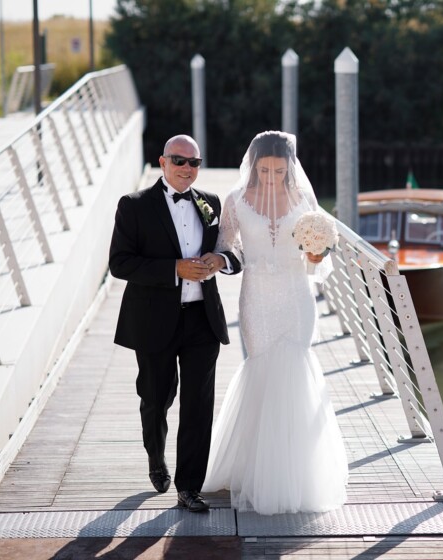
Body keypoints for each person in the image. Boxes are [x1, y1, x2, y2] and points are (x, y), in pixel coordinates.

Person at [202, 131, 348, 514]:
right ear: (254, 165)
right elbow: (225, 245)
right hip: (257, 298)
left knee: (296, 371)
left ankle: (296, 475)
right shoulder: (236, 201)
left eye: (278, 170)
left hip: (297, 296)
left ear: (289, 168)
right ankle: (253, 470)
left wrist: (316, 254)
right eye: (264, 169)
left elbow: (316, 259)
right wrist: (218, 261)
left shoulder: (303, 200)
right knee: (262, 368)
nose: (271, 176)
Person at [109, 135, 242, 513]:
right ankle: (155, 456)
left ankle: (189, 488)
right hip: (153, 320)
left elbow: (231, 250)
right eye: (179, 160)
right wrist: (173, 269)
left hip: (203, 319)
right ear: (162, 162)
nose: (187, 168)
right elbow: (120, 263)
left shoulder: (211, 203)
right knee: (156, 398)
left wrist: (220, 261)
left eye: (194, 162)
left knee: (199, 405)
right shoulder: (134, 206)